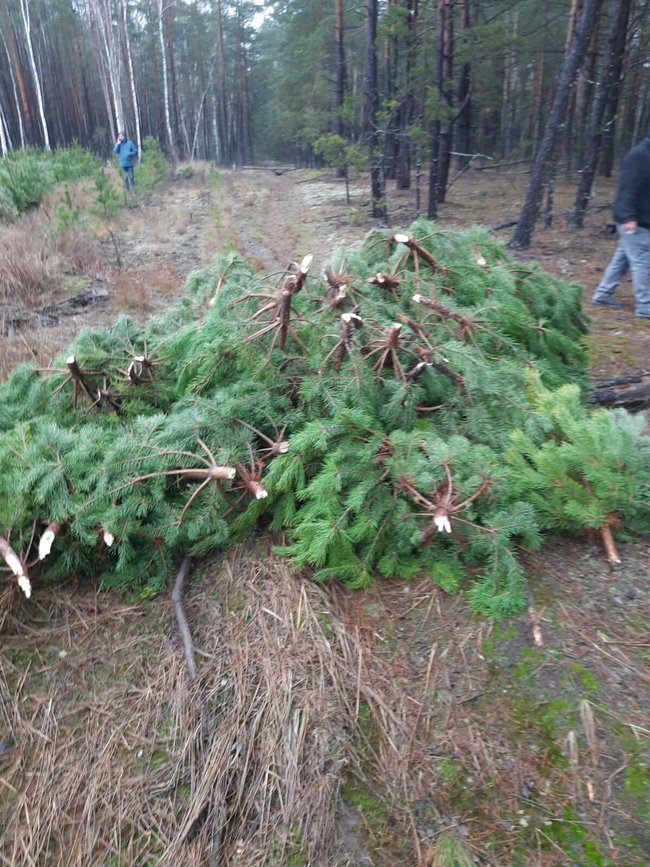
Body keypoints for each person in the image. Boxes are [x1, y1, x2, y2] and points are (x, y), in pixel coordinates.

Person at [592, 134, 650, 318]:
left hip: (640, 218)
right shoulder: (639, 156)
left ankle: (602, 294)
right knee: (641, 261)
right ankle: (645, 306)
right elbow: (626, 189)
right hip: (634, 220)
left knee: (622, 259)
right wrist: (627, 217)